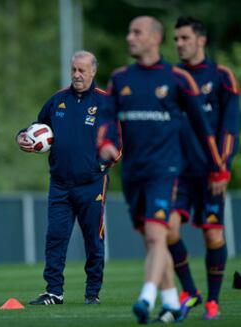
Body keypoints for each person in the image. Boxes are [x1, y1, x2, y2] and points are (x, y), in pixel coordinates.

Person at [101, 16, 229, 324]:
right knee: (155, 236)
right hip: (134, 172)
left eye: (136, 32)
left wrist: (218, 168)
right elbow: (107, 121)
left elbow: (206, 130)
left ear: (153, 39)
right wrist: (106, 143)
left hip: (171, 170)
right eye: (129, 31)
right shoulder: (120, 79)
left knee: (167, 233)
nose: (129, 37)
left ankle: (151, 297)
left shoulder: (182, 79)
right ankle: (174, 299)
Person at [16, 50, 121, 305]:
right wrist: (22, 136)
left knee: (93, 241)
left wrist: (101, 165)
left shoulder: (107, 103)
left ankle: (92, 293)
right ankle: (54, 292)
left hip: (92, 184)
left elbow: (118, 144)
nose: (76, 75)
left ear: (93, 71)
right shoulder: (56, 101)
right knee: (55, 237)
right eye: (73, 70)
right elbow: (35, 127)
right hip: (60, 184)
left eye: (82, 70)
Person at [168, 16, 239, 320]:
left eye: (184, 38)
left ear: (201, 40)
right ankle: (190, 292)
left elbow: (230, 128)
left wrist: (221, 168)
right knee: (166, 229)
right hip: (177, 173)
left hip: (210, 171)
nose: (179, 44)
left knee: (213, 237)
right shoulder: (171, 78)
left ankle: (212, 301)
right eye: (176, 39)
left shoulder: (222, 77)